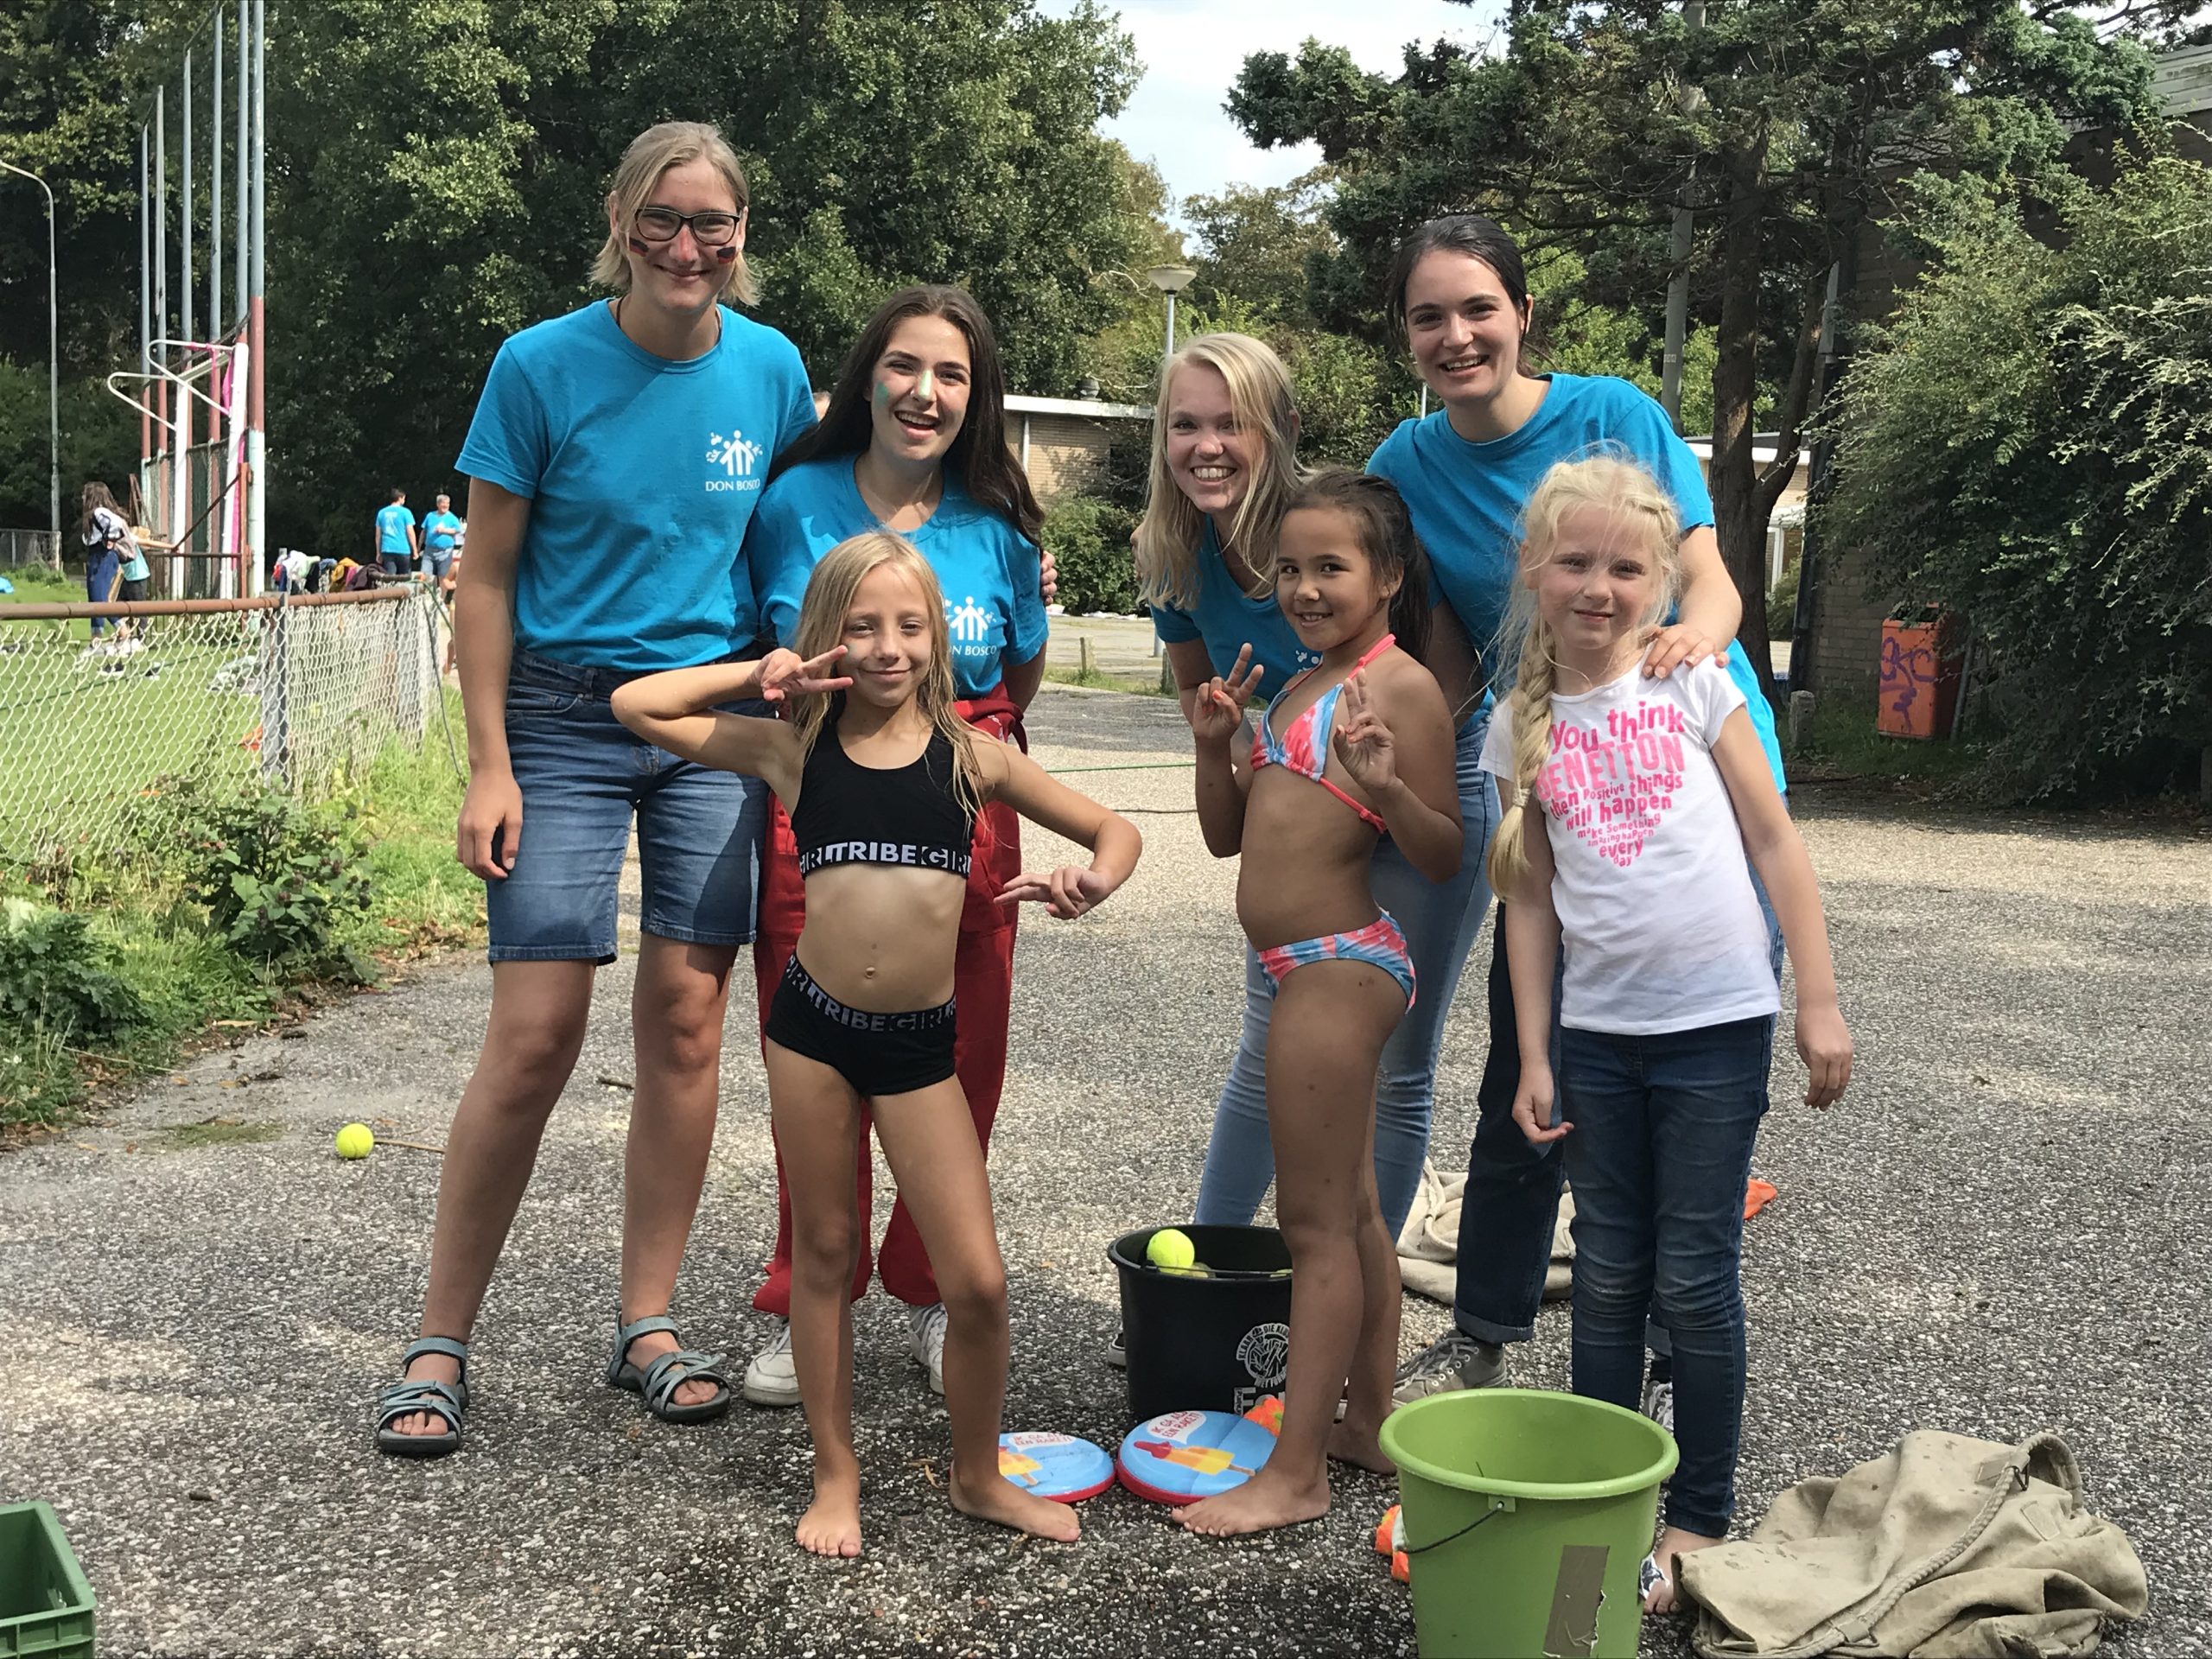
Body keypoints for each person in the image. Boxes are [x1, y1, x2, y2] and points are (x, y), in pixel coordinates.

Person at [374, 119, 817, 1457]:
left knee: (686, 1021)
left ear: (742, 235)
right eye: (662, 222)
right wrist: (489, 762)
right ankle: (440, 1339)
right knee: (536, 1030)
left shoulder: (774, 369)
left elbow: (798, 531)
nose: (689, 249)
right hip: (561, 719)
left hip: (714, 717)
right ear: (620, 221)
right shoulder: (541, 365)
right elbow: (488, 575)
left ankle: (648, 1323)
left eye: (714, 226)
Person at [610, 531, 1141, 1555]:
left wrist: (1093, 882)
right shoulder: (790, 748)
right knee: (824, 1253)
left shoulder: (977, 756)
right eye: (861, 626)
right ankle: (835, 1474)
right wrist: (759, 674)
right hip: (812, 1035)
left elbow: (1115, 834)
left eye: (907, 625)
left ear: (939, 636)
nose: (887, 647)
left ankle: (977, 1474)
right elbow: (640, 706)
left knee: (976, 1281)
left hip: (916, 1050)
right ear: (825, 638)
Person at [1369, 213, 1790, 1409]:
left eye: (1477, 309)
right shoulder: (1407, 466)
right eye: (1429, 316)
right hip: (1556, 788)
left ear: (1522, 314)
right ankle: (1489, 1326)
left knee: (1695, 1093)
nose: (1458, 336)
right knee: (1530, 1068)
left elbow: (1711, 580)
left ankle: (1675, 1343)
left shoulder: (1615, 413)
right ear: (1405, 335)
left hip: (1691, 777)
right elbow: (1447, 658)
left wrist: (1681, 672)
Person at [1481, 452, 1850, 1608]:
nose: (1599, 586)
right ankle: (1604, 1493)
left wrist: (1821, 1003)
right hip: (1596, 1040)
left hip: (1716, 1028)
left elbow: (1776, 842)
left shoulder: (1695, 681)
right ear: (1536, 571)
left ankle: (1697, 1515)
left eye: (1626, 566)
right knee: (1604, 1274)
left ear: (1660, 580)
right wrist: (1535, 1054)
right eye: (1575, 562)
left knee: (1693, 1278)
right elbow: (1528, 905)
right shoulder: (1514, 726)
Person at [1133, 336, 1497, 1371]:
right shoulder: (1176, 556)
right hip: (1301, 777)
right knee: (1265, 1046)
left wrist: (1379, 795)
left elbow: (1433, 683)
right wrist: (1242, 758)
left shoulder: (1343, 525)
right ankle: (1205, 1276)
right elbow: (1216, 708)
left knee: (1398, 1061)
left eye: (1228, 421)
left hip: (1409, 775)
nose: (1205, 446)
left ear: (1278, 429)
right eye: (1183, 425)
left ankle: (1336, 1316)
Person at [737, 286, 1051, 1407]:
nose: (927, 392)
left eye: (954, 374)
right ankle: (802, 1284)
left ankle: (925, 1289)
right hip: (813, 803)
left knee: (961, 1064)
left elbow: (1012, 684)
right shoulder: (792, 503)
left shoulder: (1000, 523)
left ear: (978, 398)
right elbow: (759, 661)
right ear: (867, 375)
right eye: (907, 366)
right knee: (810, 1059)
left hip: (961, 801)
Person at [1175, 470, 1459, 1536]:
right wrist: (1217, 747)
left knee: (1312, 1231)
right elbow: (1224, 836)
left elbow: (1440, 853)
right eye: (1288, 568)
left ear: (1386, 576)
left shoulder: (1401, 686)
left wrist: (1387, 789)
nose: (1302, 587)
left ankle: (1295, 1474)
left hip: (1341, 964)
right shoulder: (1300, 682)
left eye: (1329, 567)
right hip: (1307, 967)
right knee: (1358, 1218)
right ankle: (1369, 1416)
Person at [79, 482, 137, 645]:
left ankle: (122, 633)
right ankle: (97, 639)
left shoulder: (99, 511)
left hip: (102, 557)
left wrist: (109, 540)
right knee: (96, 599)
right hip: (98, 557)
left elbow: (116, 524)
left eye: (85, 494)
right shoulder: (97, 514)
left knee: (100, 601)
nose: (82, 497)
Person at [375, 488, 420, 577]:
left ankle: (391, 591)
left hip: (387, 548)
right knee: (405, 577)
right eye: (404, 498)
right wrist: (415, 550)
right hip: (403, 549)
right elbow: (410, 532)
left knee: (390, 577)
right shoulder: (406, 512)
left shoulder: (382, 513)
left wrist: (378, 552)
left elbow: (378, 535)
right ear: (400, 498)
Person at [420, 493, 464, 582]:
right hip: (429, 551)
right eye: (443, 503)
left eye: (448, 503)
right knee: (424, 576)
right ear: (438, 504)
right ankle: (425, 594)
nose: (446, 505)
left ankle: (442, 595)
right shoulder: (430, 516)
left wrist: (444, 530)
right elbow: (423, 532)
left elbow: (458, 530)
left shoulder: (452, 517)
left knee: (444, 577)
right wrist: (418, 547)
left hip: (445, 552)